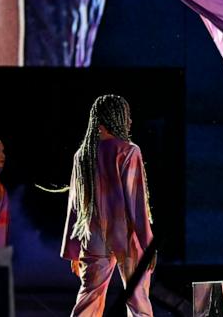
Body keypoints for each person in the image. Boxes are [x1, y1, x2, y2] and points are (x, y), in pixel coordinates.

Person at [62, 94, 154, 317]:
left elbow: (75, 205)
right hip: (127, 236)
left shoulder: (82, 155)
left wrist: (73, 249)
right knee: (137, 300)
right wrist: (147, 242)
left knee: (89, 301)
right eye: (127, 116)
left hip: (93, 237)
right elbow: (136, 202)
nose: (130, 122)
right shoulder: (129, 151)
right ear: (116, 118)